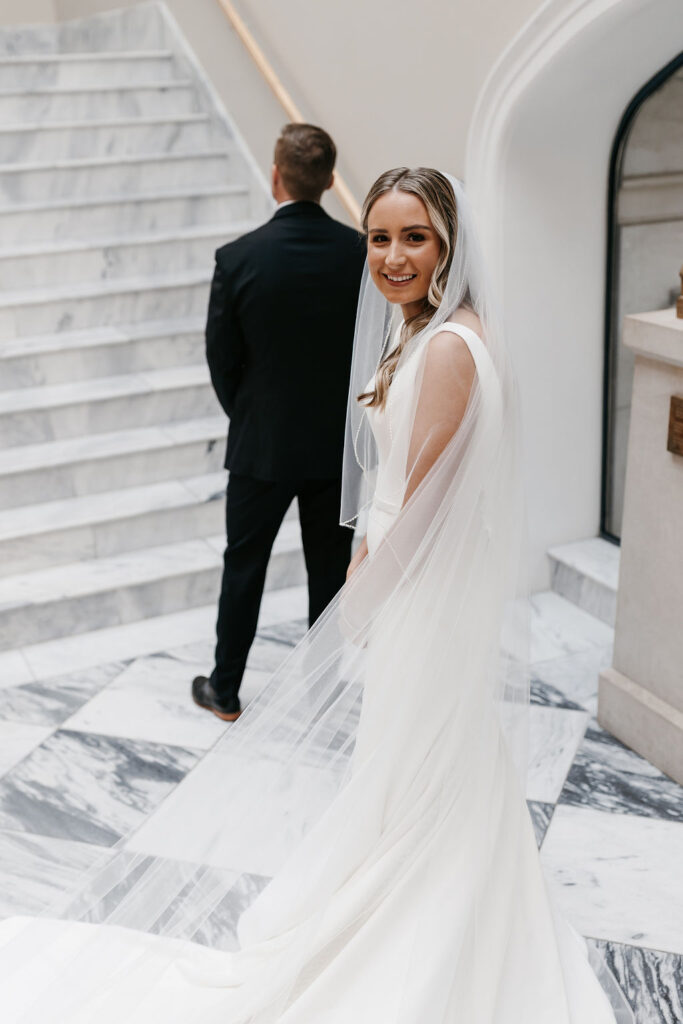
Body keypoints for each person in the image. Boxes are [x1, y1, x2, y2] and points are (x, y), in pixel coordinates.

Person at [0, 170, 634, 1024]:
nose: (393, 256)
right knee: (418, 770)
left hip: (419, 599)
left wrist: (360, 599)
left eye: (414, 237)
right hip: (409, 584)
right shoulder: (428, 333)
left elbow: (426, 503)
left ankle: (424, 935)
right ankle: (444, 904)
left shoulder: (448, 348)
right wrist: (367, 552)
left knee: (419, 769)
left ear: (447, 242)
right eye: (379, 237)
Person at [193, 122, 365, 722]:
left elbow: (221, 359)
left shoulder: (237, 258)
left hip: (260, 447)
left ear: (275, 177)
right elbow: (369, 352)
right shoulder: (360, 255)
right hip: (332, 449)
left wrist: (250, 416)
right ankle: (323, 694)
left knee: (244, 567)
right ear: (329, 181)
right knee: (329, 575)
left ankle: (225, 689)